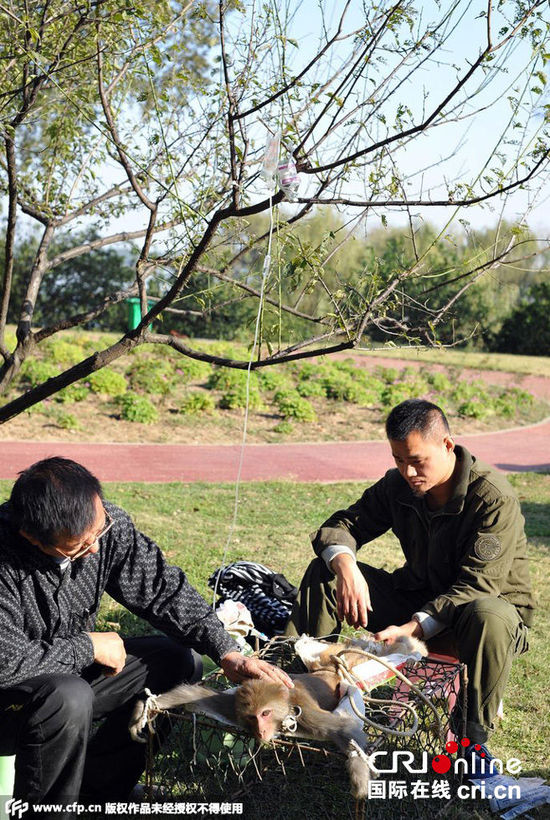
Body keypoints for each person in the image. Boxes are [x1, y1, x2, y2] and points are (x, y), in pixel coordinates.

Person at [0, 457, 291, 813]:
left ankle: (98, 789)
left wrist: (227, 652)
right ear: (31, 536)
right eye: (79, 545)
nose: (95, 548)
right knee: (68, 695)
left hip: (68, 679)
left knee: (177, 662)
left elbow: (162, 590)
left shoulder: (107, 527)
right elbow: (6, 663)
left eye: (99, 530)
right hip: (11, 702)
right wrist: (86, 647)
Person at [286, 398, 534, 763]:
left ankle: (473, 739)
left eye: (417, 460)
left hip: (478, 623)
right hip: (418, 599)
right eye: (398, 460)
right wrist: (346, 566)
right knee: (326, 571)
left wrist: (413, 628)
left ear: (447, 445)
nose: (408, 471)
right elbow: (342, 526)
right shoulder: (399, 484)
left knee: (488, 613)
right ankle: (295, 692)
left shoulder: (492, 498)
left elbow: (478, 587)